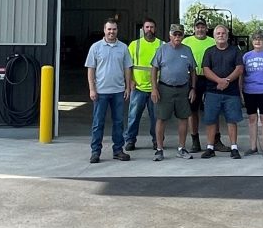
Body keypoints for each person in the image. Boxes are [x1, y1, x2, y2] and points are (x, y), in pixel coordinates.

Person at [84, 19, 132, 162]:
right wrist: (92, 89)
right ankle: (95, 152)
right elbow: (91, 69)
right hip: (101, 92)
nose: (112, 32)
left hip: (118, 91)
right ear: (104, 30)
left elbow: (127, 68)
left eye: (114, 29)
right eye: (109, 29)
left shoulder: (123, 48)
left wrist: (128, 87)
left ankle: (118, 150)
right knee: (98, 123)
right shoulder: (96, 47)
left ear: (117, 30)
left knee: (118, 122)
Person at [150, 24, 197, 160]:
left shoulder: (187, 50)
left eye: (180, 34)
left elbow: (193, 70)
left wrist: (193, 88)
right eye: (175, 34)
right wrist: (154, 89)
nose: (177, 37)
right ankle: (159, 149)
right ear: (170, 35)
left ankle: (181, 149)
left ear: (183, 36)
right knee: (161, 118)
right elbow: (154, 69)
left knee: (183, 118)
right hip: (165, 89)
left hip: (183, 89)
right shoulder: (162, 50)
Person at [198, 24, 245, 159]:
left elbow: (239, 68)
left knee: (232, 119)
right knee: (211, 120)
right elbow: (206, 70)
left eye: (223, 33)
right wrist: (219, 81)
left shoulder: (235, 51)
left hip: (231, 92)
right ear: (214, 36)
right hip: (212, 91)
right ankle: (210, 148)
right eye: (218, 34)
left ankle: (234, 148)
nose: (221, 36)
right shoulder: (209, 51)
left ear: (227, 35)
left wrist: (227, 81)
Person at [123, 18, 161, 151]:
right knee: (133, 116)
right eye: (147, 27)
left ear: (155, 29)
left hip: (155, 89)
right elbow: (127, 65)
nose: (149, 29)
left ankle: (157, 141)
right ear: (143, 29)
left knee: (156, 118)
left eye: (151, 27)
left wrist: (158, 85)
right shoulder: (134, 45)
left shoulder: (162, 45)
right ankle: (130, 140)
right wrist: (130, 81)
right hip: (138, 87)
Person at [184, 16, 216, 151]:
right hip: (193, 79)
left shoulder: (213, 41)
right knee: (192, 110)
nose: (200, 29)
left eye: (202, 27)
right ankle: (195, 140)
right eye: (198, 27)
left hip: (210, 78)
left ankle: (216, 140)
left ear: (206, 29)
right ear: (194, 29)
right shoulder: (186, 41)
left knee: (213, 109)